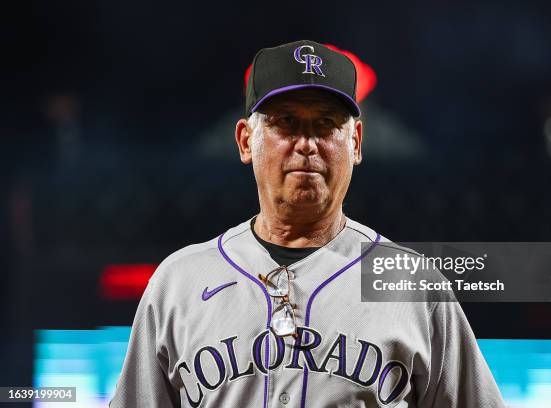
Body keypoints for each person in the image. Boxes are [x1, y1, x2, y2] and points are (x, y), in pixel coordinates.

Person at [110, 40, 504, 408]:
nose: (307, 143)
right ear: (246, 141)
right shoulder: (179, 282)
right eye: (286, 122)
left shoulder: (413, 285)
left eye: (326, 124)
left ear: (356, 143)